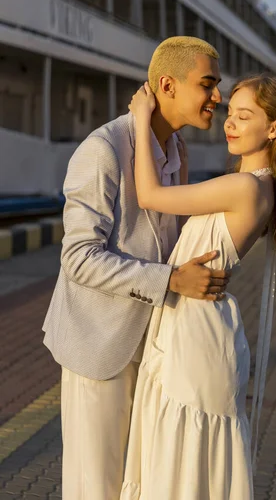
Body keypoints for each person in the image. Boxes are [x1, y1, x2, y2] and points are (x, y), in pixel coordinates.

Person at [42, 36, 233, 500]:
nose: (218, 97)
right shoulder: (103, 149)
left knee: (137, 485)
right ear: (167, 85)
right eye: (207, 84)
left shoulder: (178, 152)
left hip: (154, 350)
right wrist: (171, 280)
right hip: (101, 347)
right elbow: (78, 258)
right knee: (96, 488)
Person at [120, 75, 276, 500]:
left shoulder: (244, 187)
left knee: (179, 464)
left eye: (244, 117)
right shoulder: (257, 185)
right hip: (201, 325)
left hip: (196, 332)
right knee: (191, 465)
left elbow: (149, 195)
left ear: (275, 128)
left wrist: (140, 118)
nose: (231, 123)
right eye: (230, 113)